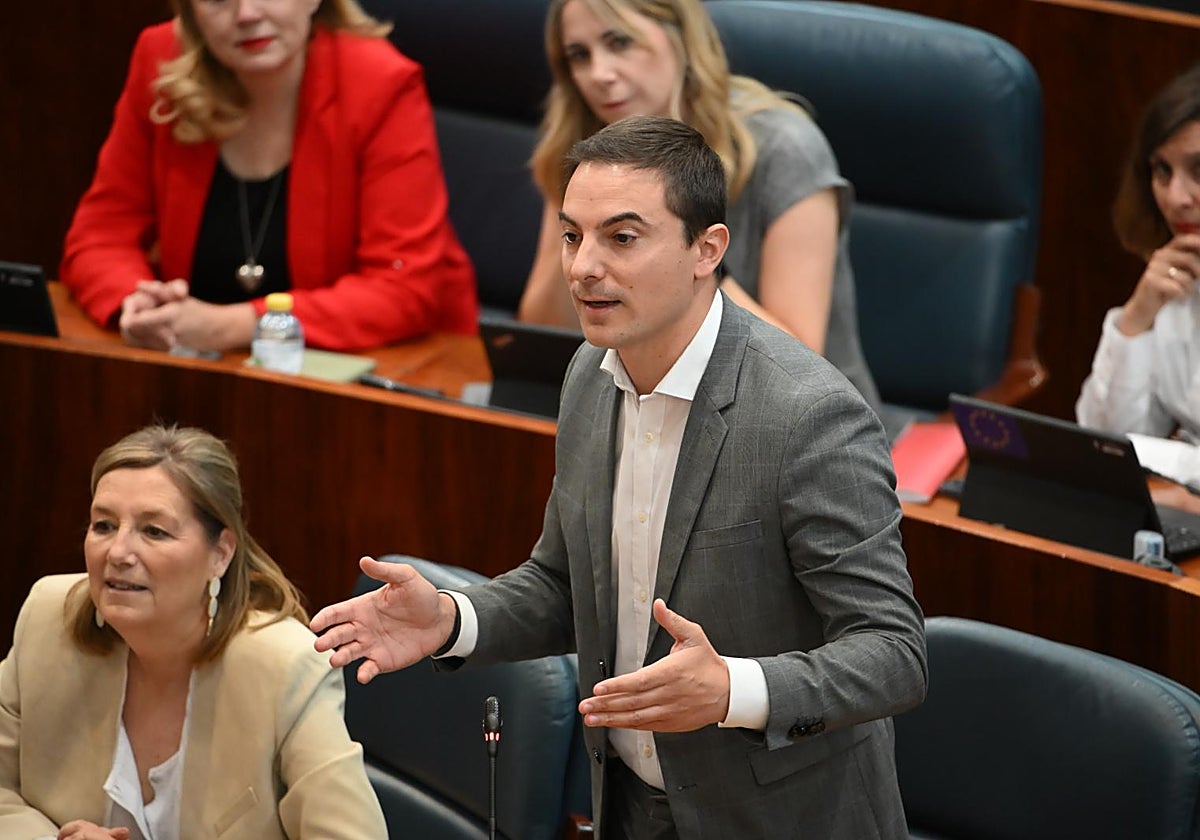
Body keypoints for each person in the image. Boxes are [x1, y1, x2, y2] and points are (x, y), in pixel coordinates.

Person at [313, 116, 927, 838]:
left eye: (621, 238)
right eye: (573, 236)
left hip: (782, 816)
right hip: (631, 806)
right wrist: (454, 618)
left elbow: (894, 653)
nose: (582, 267)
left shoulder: (808, 415)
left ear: (707, 250)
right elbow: (566, 585)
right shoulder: (588, 377)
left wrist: (733, 688)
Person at [0, 425, 385, 838]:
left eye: (154, 531)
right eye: (104, 525)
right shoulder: (46, 616)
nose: (118, 553)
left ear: (219, 554)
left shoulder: (286, 667)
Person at [515, 0, 882, 415]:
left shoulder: (786, 148)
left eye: (619, 42)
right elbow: (544, 327)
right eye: (579, 55)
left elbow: (799, 360)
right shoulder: (588, 153)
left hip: (804, 424)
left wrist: (686, 260)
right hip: (650, 409)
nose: (599, 74)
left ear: (680, 35)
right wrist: (585, 228)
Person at [60, 0, 477, 354]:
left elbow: (404, 289)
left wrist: (233, 326)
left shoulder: (379, 83)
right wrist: (138, 303)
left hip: (378, 373)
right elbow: (100, 234)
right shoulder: (162, 59)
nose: (245, 14)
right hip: (203, 368)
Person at [1077, 64, 1200, 490]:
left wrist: (1176, 468)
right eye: (1162, 170)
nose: (1175, 197)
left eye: (1198, 171)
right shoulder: (1176, 279)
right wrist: (1137, 317)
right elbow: (1103, 446)